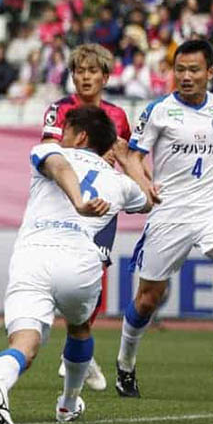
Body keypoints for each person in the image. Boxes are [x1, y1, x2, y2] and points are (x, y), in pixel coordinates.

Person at [0, 106, 151, 424]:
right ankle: (68, 404)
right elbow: (150, 198)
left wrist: (77, 200)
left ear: (81, 135)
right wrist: (130, 163)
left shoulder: (47, 150)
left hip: (32, 254)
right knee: (80, 328)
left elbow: (59, 166)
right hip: (79, 261)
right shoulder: (120, 182)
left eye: (66, 129)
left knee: (24, 343)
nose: (61, 134)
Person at [116, 39, 213, 397]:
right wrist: (145, 185)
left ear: (210, 73)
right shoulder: (159, 110)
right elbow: (131, 157)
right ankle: (125, 365)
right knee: (148, 298)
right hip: (170, 212)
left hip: (211, 212)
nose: (185, 77)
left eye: (193, 70)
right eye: (179, 70)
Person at [42, 43, 133, 392]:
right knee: (56, 272)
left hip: (102, 208)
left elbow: (124, 157)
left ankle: (80, 347)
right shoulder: (58, 110)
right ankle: (78, 350)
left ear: (106, 77)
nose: (85, 77)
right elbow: (51, 154)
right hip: (63, 203)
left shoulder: (118, 116)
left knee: (94, 272)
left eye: (93, 71)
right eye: (79, 71)